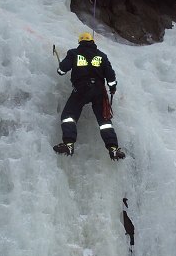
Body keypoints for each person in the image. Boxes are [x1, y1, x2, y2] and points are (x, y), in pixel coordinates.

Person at [53, 32, 125, 160]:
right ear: (93, 42)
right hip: (99, 91)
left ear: (80, 42)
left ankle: (69, 144)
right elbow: (111, 76)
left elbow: (62, 70)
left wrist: (60, 69)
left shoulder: (74, 53)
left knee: (69, 116)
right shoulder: (102, 56)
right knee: (104, 122)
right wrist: (112, 88)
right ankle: (113, 148)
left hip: (81, 89)